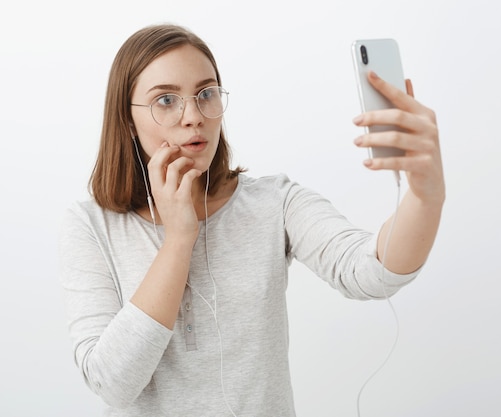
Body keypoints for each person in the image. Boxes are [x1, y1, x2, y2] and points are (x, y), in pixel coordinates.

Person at [59, 23, 445, 417]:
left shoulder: (274, 201)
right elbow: (112, 383)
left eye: (206, 94)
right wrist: (178, 239)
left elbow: (371, 272)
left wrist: (426, 195)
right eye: (166, 100)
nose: (193, 116)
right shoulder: (91, 226)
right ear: (127, 119)